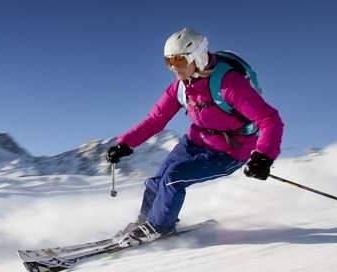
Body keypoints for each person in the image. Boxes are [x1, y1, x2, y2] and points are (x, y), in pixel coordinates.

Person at [105, 27, 283, 245]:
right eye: (168, 62)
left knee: (174, 178)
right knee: (156, 181)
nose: (173, 68)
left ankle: (160, 227)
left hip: (231, 150)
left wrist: (263, 156)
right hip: (196, 141)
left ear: (197, 57)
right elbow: (155, 120)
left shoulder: (229, 84)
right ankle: (145, 222)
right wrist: (125, 144)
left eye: (179, 61)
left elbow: (269, 119)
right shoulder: (179, 88)